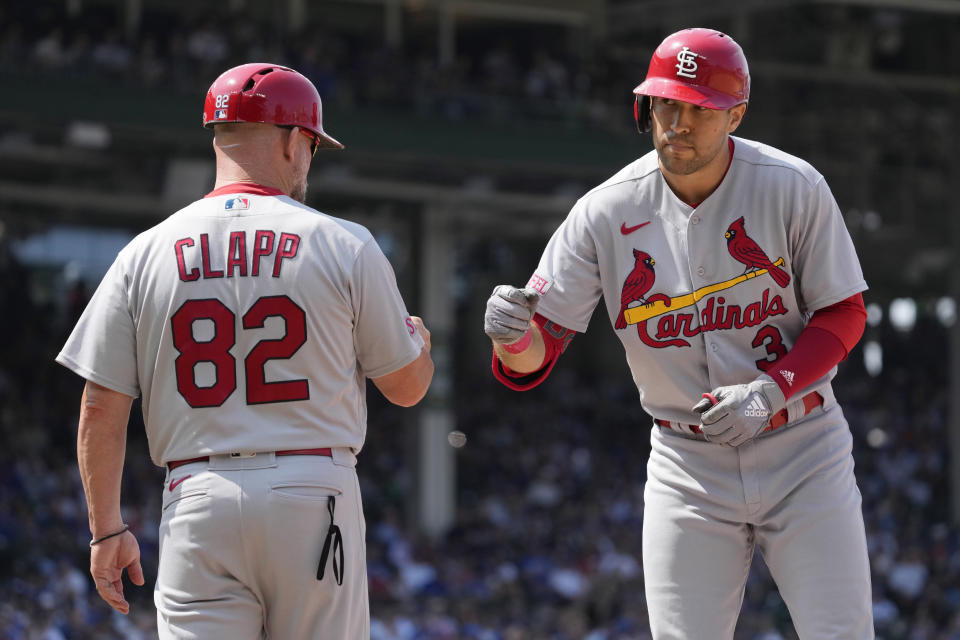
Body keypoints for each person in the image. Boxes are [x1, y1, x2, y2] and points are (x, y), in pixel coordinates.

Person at [484, 28, 873, 638]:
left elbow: (843, 313)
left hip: (802, 445)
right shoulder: (606, 210)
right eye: (667, 103)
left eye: (699, 107)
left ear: (735, 115)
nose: (678, 122)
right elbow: (538, 352)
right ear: (646, 107)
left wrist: (771, 391)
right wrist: (512, 337)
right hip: (687, 463)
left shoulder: (792, 186)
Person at [57, 63, 433, 638]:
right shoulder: (343, 242)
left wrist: (107, 531)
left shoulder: (145, 251)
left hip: (197, 495)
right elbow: (406, 390)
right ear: (292, 141)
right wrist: (421, 348)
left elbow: (100, 408)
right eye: (311, 145)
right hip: (311, 488)